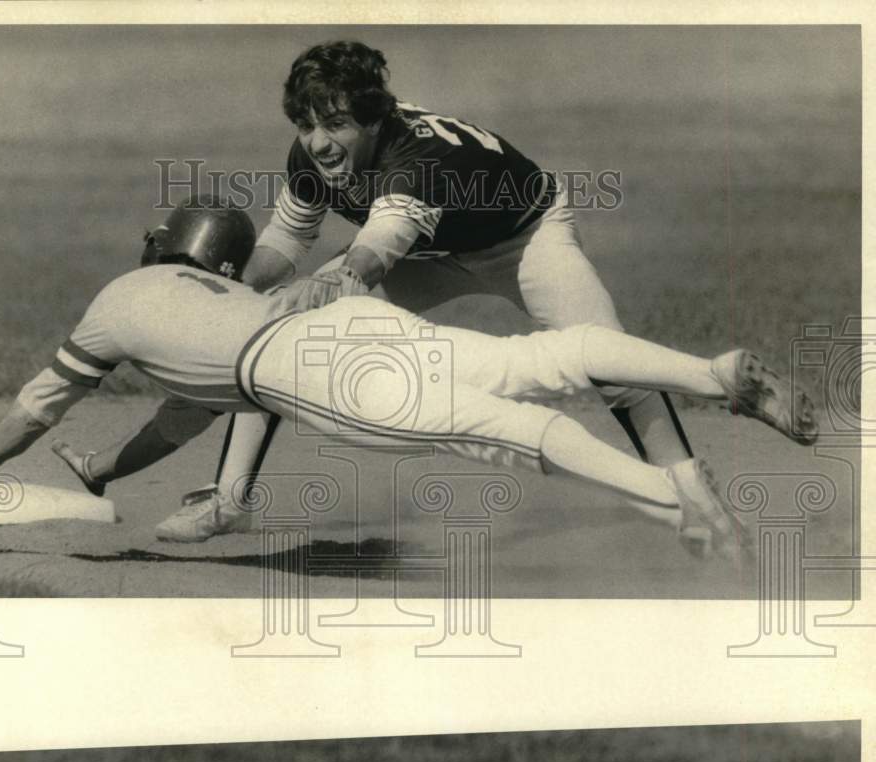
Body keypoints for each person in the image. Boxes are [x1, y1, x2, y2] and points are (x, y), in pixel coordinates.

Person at [0, 199, 818, 563]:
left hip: (310, 373)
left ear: (163, 249)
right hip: (348, 321)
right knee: (533, 362)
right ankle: (709, 371)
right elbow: (183, 416)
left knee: (502, 432)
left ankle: (680, 507)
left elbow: (38, 401)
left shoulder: (121, 299)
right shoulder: (232, 297)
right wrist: (108, 473)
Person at [157, 40, 734, 537]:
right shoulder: (311, 155)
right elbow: (285, 240)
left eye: (335, 124)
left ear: (375, 119)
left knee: (611, 357)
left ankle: (694, 496)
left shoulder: (417, 157)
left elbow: (378, 248)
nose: (318, 140)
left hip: (523, 236)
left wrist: (337, 280)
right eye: (306, 124)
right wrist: (224, 286)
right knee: (277, 331)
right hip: (427, 251)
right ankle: (231, 502)